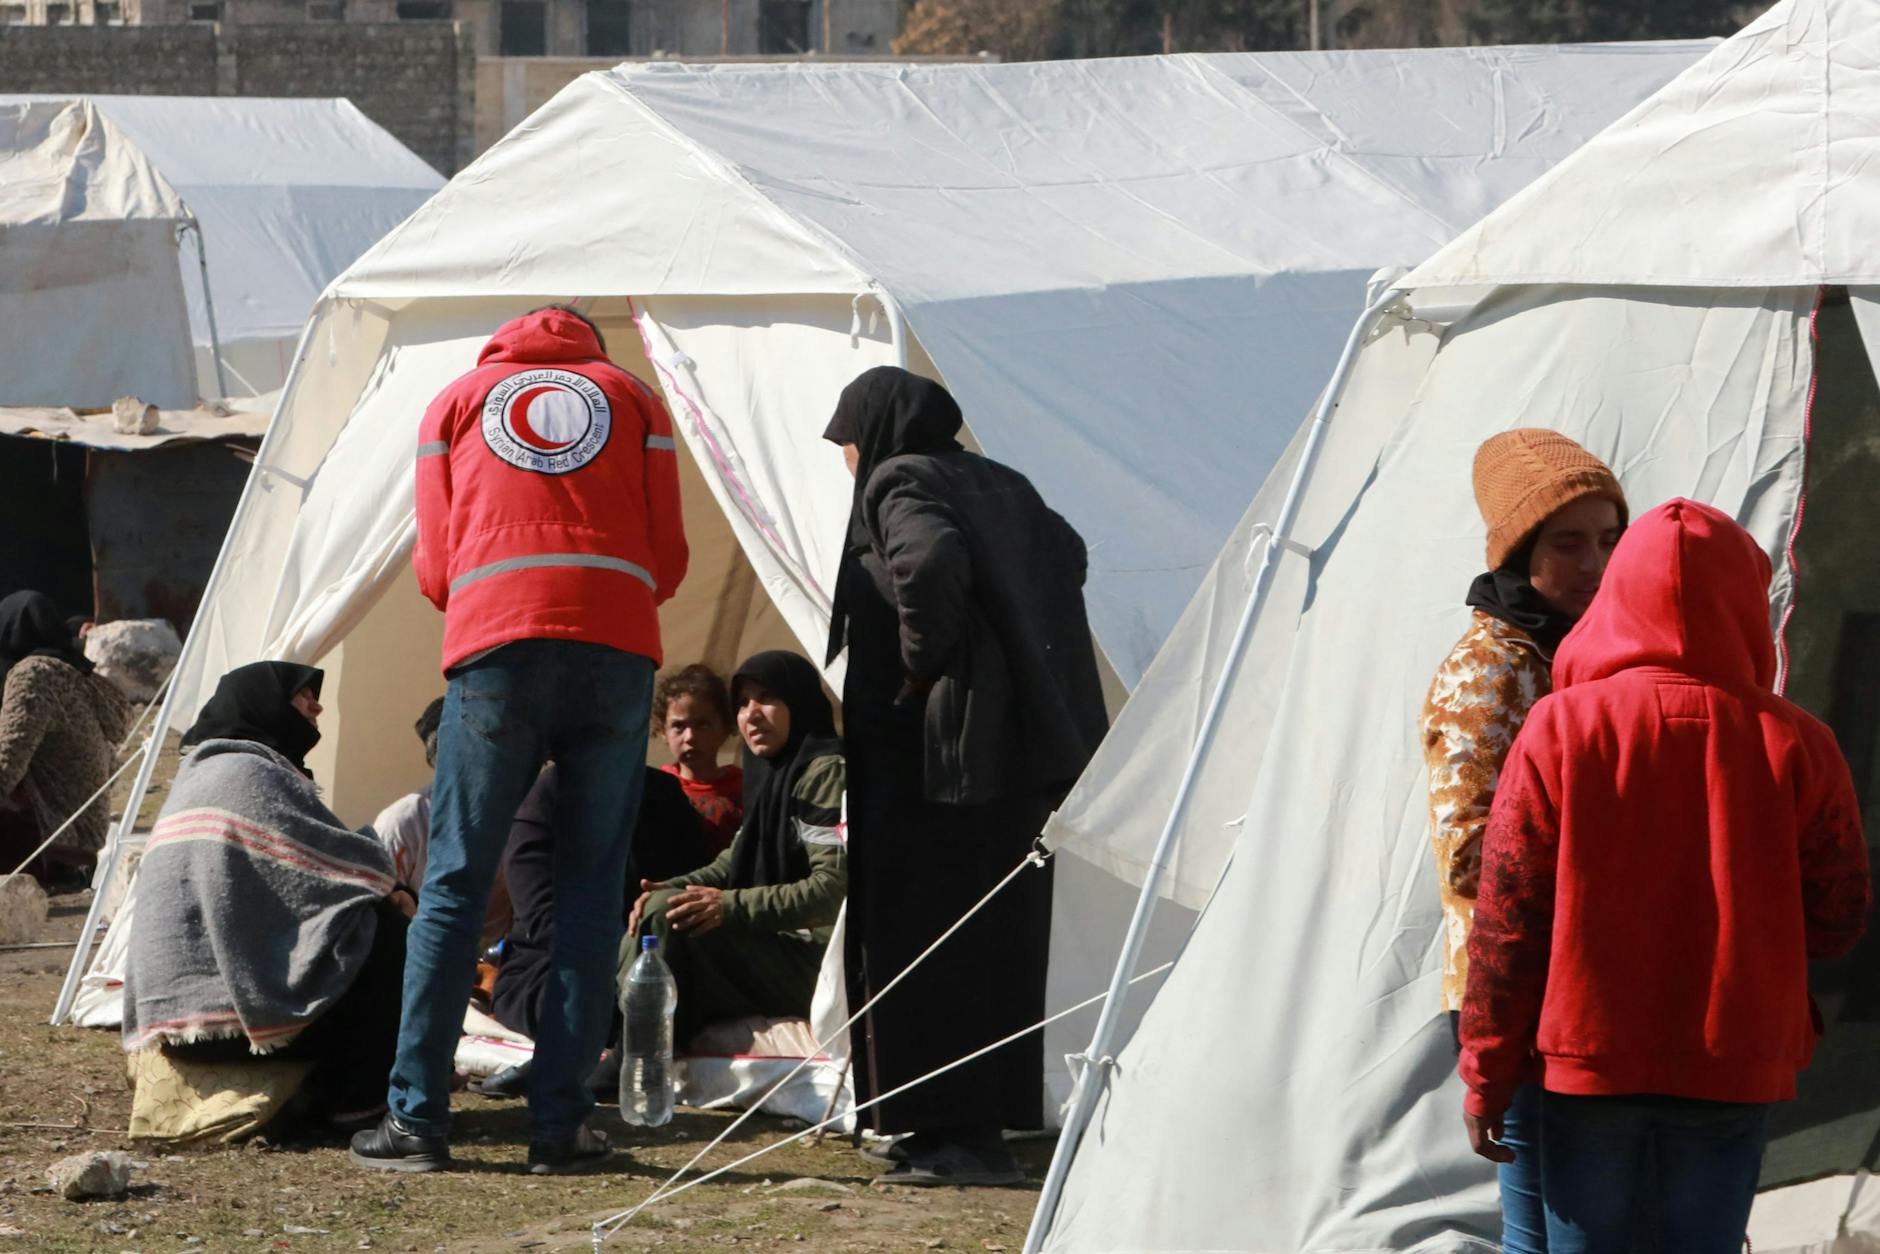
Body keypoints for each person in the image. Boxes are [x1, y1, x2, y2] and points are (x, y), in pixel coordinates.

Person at [1459, 499, 1871, 1253]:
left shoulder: (1559, 728)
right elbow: (1838, 919)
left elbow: (1508, 924)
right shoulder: (1801, 744)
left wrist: (1486, 1073)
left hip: (1591, 1065)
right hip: (1735, 1064)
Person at [353, 303, 688, 1176]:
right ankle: (561, 1126)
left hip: (495, 645)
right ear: (592, 346)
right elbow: (670, 555)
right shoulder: (636, 400)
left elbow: (435, 564)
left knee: (456, 882)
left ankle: (416, 1122)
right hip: (616, 646)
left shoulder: (457, 401)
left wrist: (494, 601)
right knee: (590, 888)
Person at [822, 367, 1108, 1187]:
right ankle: (966, 1127)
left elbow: (929, 559)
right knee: (993, 941)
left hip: (935, 762)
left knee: (924, 936)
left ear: (874, 432)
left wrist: (924, 663)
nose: (847, 460)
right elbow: (1068, 553)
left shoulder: (899, 479)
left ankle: (951, 1130)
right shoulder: (1002, 482)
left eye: (847, 442)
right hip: (1012, 757)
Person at [1420, 428, 1627, 1250]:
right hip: (1514, 978)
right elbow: (1467, 853)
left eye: (1609, 539)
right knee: (1546, 1227)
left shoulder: (1582, 650)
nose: (1594, 564)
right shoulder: (1492, 667)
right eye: (1567, 544)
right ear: (1519, 551)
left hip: (1577, 973)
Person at [121, 663, 411, 1123]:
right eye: (303, 697)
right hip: (231, 1025)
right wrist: (392, 888)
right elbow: (347, 864)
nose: (316, 708)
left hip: (174, 1027)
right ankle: (357, 1102)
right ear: (265, 704)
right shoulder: (251, 775)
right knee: (384, 932)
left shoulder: (199, 776)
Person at [628, 650, 847, 1048]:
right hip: (780, 943)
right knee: (656, 907)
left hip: (818, 960)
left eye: (767, 697)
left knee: (665, 918)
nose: (752, 714)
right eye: (743, 703)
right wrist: (668, 887)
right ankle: (615, 1035)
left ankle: (633, 1048)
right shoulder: (774, 774)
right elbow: (733, 860)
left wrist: (728, 906)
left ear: (798, 701)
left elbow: (830, 890)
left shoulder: (825, 771)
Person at [476, 762, 713, 1097]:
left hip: (651, 956)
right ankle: (577, 1065)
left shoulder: (661, 793)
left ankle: (609, 1055)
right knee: (581, 1003)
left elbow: (691, 887)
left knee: (667, 991)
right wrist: (622, 958)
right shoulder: (545, 797)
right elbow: (542, 916)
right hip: (554, 965)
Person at [0, 591, 132, 888]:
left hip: (59, 841)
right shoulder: (74, 673)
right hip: (87, 836)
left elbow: (7, 764)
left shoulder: (34, 675)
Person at [369, 698, 514, 940]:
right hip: (418, 953)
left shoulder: (520, 812)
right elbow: (381, 913)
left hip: (502, 956)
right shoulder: (403, 822)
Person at [655, 664, 744, 854]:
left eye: (702, 725)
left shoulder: (744, 789)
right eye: (678, 726)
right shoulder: (656, 791)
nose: (690, 737)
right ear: (663, 732)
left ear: (726, 727)